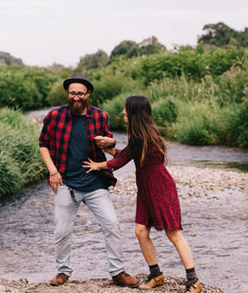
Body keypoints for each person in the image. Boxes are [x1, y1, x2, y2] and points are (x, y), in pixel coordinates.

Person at [83, 95, 203, 293]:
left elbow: (120, 162)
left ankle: (193, 281)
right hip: (146, 189)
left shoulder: (141, 136)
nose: (123, 112)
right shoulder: (141, 135)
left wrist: (98, 165)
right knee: (141, 232)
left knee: (174, 234)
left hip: (160, 188)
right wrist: (110, 149)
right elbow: (128, 155)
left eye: (126, 109)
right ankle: (156, 275)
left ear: (134, 113)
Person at [38, 73, 139, 287]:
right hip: (65, 183)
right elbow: (43, 144)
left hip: (95, 183)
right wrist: (52, 171)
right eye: (72, 93)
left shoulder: (100, 116)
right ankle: (63, 272)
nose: (75, 97)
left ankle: (118, 271)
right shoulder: (54, 115)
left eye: (80, 93)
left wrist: (110, 141)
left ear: (88, 94)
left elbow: (108, 144)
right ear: (68, 93)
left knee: (111, 224)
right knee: (62, 230)